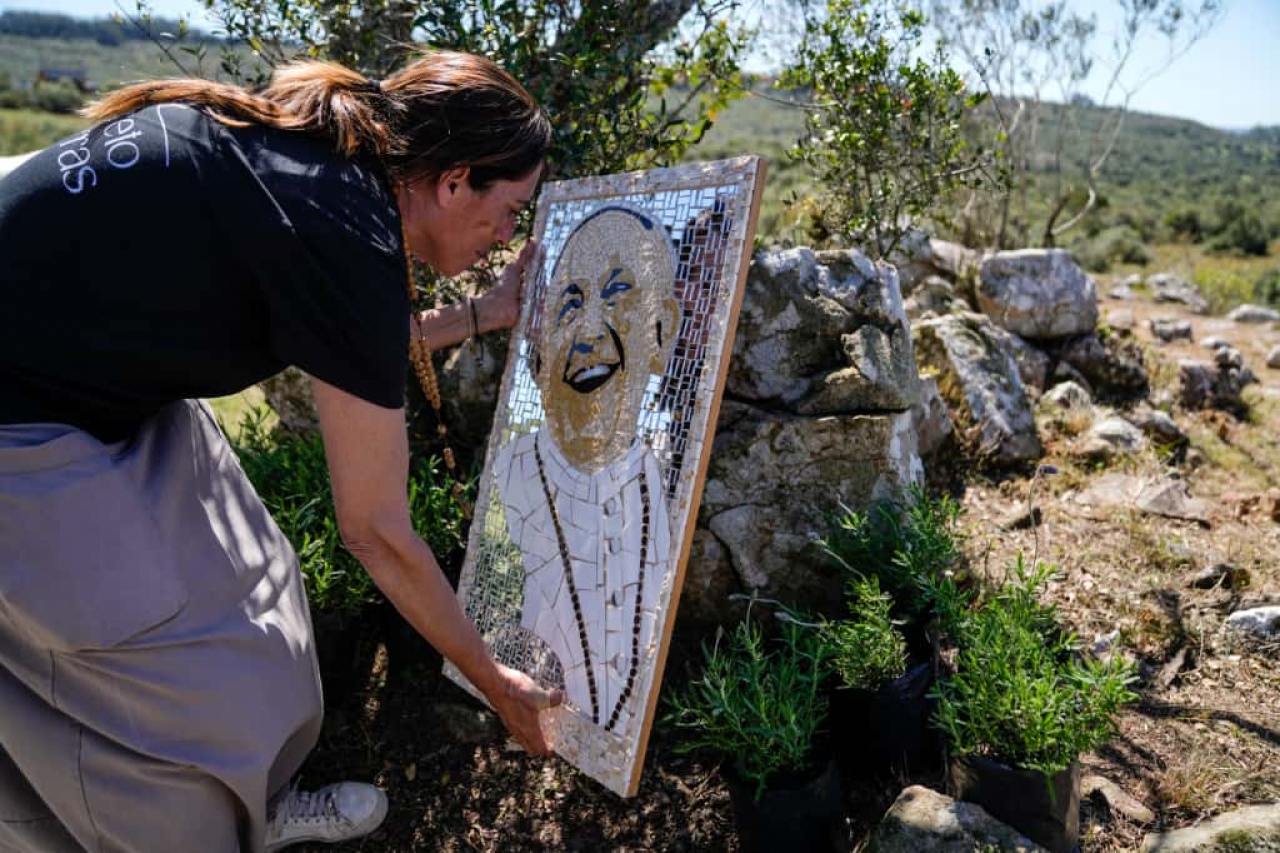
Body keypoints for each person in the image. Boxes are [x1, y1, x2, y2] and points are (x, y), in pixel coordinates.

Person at [0, 50, 561, 853]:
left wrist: (483, 313)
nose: (507, 234)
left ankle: (256, 803)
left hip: (94, 387)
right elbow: (376, 532)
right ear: (453, 181)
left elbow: (347, 338)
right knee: (140, 670)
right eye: (510, 209)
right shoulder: (343, 227)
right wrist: (495, 680)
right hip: (23, 427)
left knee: (253, 583)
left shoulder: (323, 166)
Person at [491, 205, 680, 743]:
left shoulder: (663, 477)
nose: (588, 331)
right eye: (569, 304)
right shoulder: (515, 471)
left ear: (662, 332)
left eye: (618, 295)